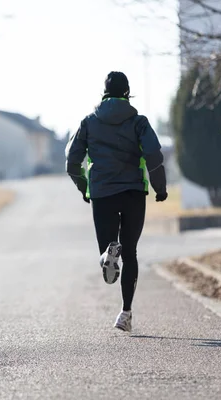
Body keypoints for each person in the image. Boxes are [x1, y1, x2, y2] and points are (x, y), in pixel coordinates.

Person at [65, 71, 168, 332]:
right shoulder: (139, 122)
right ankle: (125, 313)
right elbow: (154, 156)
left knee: (109, 249)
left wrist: (84, 187)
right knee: (130, 250)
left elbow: (72, 162)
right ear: (127, 93)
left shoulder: (88, 122)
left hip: (102, 193)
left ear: (104, 92)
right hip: (133, 191)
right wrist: (160, 188)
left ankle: (108, 252)